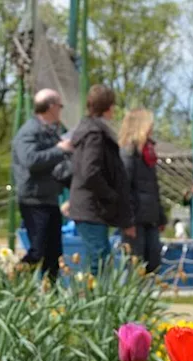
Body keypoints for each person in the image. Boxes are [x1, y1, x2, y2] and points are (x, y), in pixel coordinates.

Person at [66, 84, 132, 274]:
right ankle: (95, 301)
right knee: (100, 260)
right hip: (92, 206)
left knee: (99, 258)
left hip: (90, 206)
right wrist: (110, 194)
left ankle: (93, 299)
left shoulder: (88, 129)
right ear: (110, 107)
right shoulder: (95, 134)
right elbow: (90, 172)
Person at [10, 89, 74, 279]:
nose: (60, 110)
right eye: (60, 106)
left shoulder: (49, 131)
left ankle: (51, 295)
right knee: (38, 251)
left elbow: (57, 166)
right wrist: (58, 150)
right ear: (51, 106)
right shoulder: (29, 131)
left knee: (54, 253)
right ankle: (13, 283)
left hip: (49, 198)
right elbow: (30, 160)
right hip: (33, 199)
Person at [118, 108, 167, 273]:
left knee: (153, 262)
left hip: (150, 218)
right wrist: (128, 221)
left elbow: (153, 188)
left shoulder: (148, 152)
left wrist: (160, 216)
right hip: (135, 219)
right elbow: (124, 189)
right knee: (134, 265)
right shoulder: (128, 153)